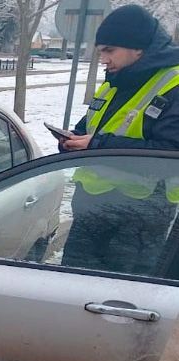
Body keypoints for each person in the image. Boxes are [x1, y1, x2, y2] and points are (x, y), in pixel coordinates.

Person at [59, 5, 179, 276]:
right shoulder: (114, 83)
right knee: (70, 291)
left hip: (138, 219)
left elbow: (170, 155)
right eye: (100, 50)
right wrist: (70, 141)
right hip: (91, 212)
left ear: (138, 48)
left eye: (109, 50)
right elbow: (87, 130)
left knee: (118, 304)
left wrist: (96, 145)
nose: (102, 58)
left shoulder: (173, 85)